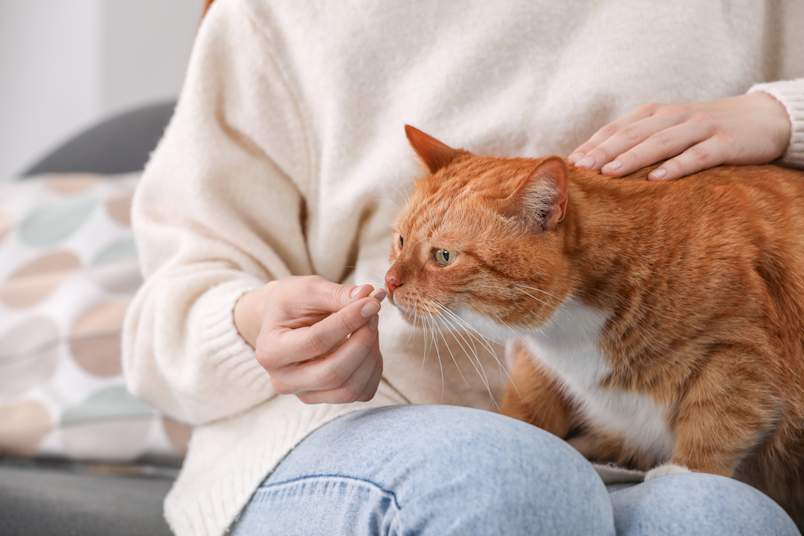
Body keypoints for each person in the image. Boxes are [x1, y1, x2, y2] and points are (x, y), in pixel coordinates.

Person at [122, 1, 804, 534]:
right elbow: (159, 318)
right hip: (354, 429)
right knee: (507, 481)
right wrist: (252, 328)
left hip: (650, 444)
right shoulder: (274, 17)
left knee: (724, 518)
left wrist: (785, 115)